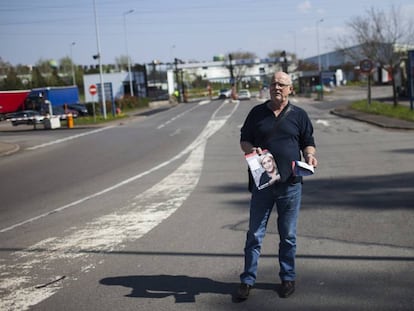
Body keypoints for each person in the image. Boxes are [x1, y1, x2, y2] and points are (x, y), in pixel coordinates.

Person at [237, 71, 318, 300]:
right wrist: (252, 150)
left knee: (288, 235)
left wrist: (310, 156)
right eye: (273, 84)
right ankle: (247, 280)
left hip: (291, 184)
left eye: (281, 84)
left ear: (290, 89)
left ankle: (287, 277)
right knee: (254, 233)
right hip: (262, 182)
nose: (277, 87)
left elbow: (308, 142)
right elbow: (244, 139)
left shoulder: (299, 115)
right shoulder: (257, 113)